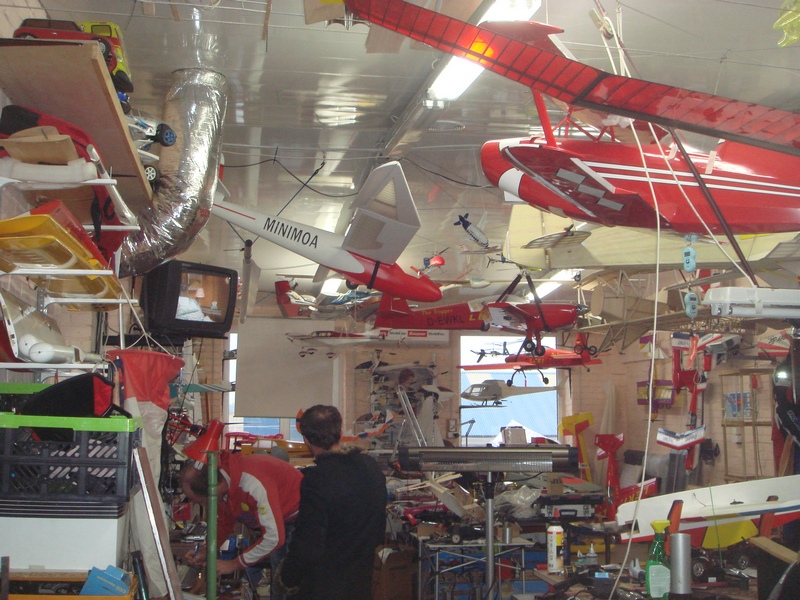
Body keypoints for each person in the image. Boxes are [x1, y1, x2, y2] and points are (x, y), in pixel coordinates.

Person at [276, 405, 387, 599]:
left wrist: (287, 578)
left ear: (306, 439)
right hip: (361, 582)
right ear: (340, 432)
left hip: (324, 586)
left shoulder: (317, 479)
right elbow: (379, 525)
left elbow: (308, 543)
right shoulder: (370, 466)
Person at [181, 450, 302, 598]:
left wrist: (233, 564)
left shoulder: (252, 483)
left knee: (285, 584)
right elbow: (224, 521)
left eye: (202, 501)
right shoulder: (224, 481)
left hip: (297, 519)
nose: (205, 506)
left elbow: (274, 538)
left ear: (214, 487)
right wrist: (206, 550)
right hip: (280, 520)